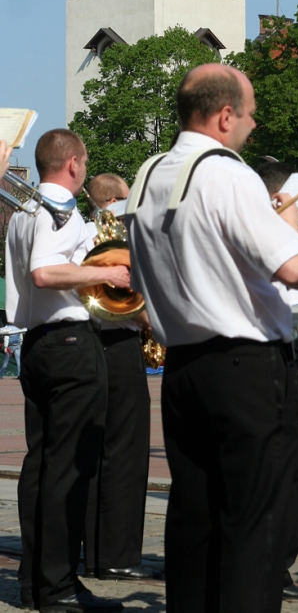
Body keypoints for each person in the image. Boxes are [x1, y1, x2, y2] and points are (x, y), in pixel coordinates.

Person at [126, 64, 298, 613]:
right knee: (254, 524)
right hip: (245, 368)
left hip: (184, 369)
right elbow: (293, 267)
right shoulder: (227, 173)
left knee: (195, 519)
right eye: (251, 114)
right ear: (225, 115)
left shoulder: (148, 174)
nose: (254, 126)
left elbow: (140, 278)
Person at [5, 129, 130, 613]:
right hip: (70, 345)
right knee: (69, 467)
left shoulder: (24, 211)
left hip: (38, 344)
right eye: (85, 161)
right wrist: (107, 273)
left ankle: (36, 583)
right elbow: (44, 271)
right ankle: (58, 586)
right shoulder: (59, 208)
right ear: (74, 163)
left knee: (40, 466)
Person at [83, 174, 155, 582]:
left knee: (97, 452)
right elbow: (129, 295)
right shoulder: (116, 236)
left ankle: (96, 553)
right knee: (126, 453)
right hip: (121, 343)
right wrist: (156, 323)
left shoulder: (82, 231)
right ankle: (119, 555)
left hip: (91, 345)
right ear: (112, 201)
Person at [255, 160, 298, 602]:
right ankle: (275, 566)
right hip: (277, 358)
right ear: (280, 200)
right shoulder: (277, 238)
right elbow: (296, 291)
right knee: (288, 470)